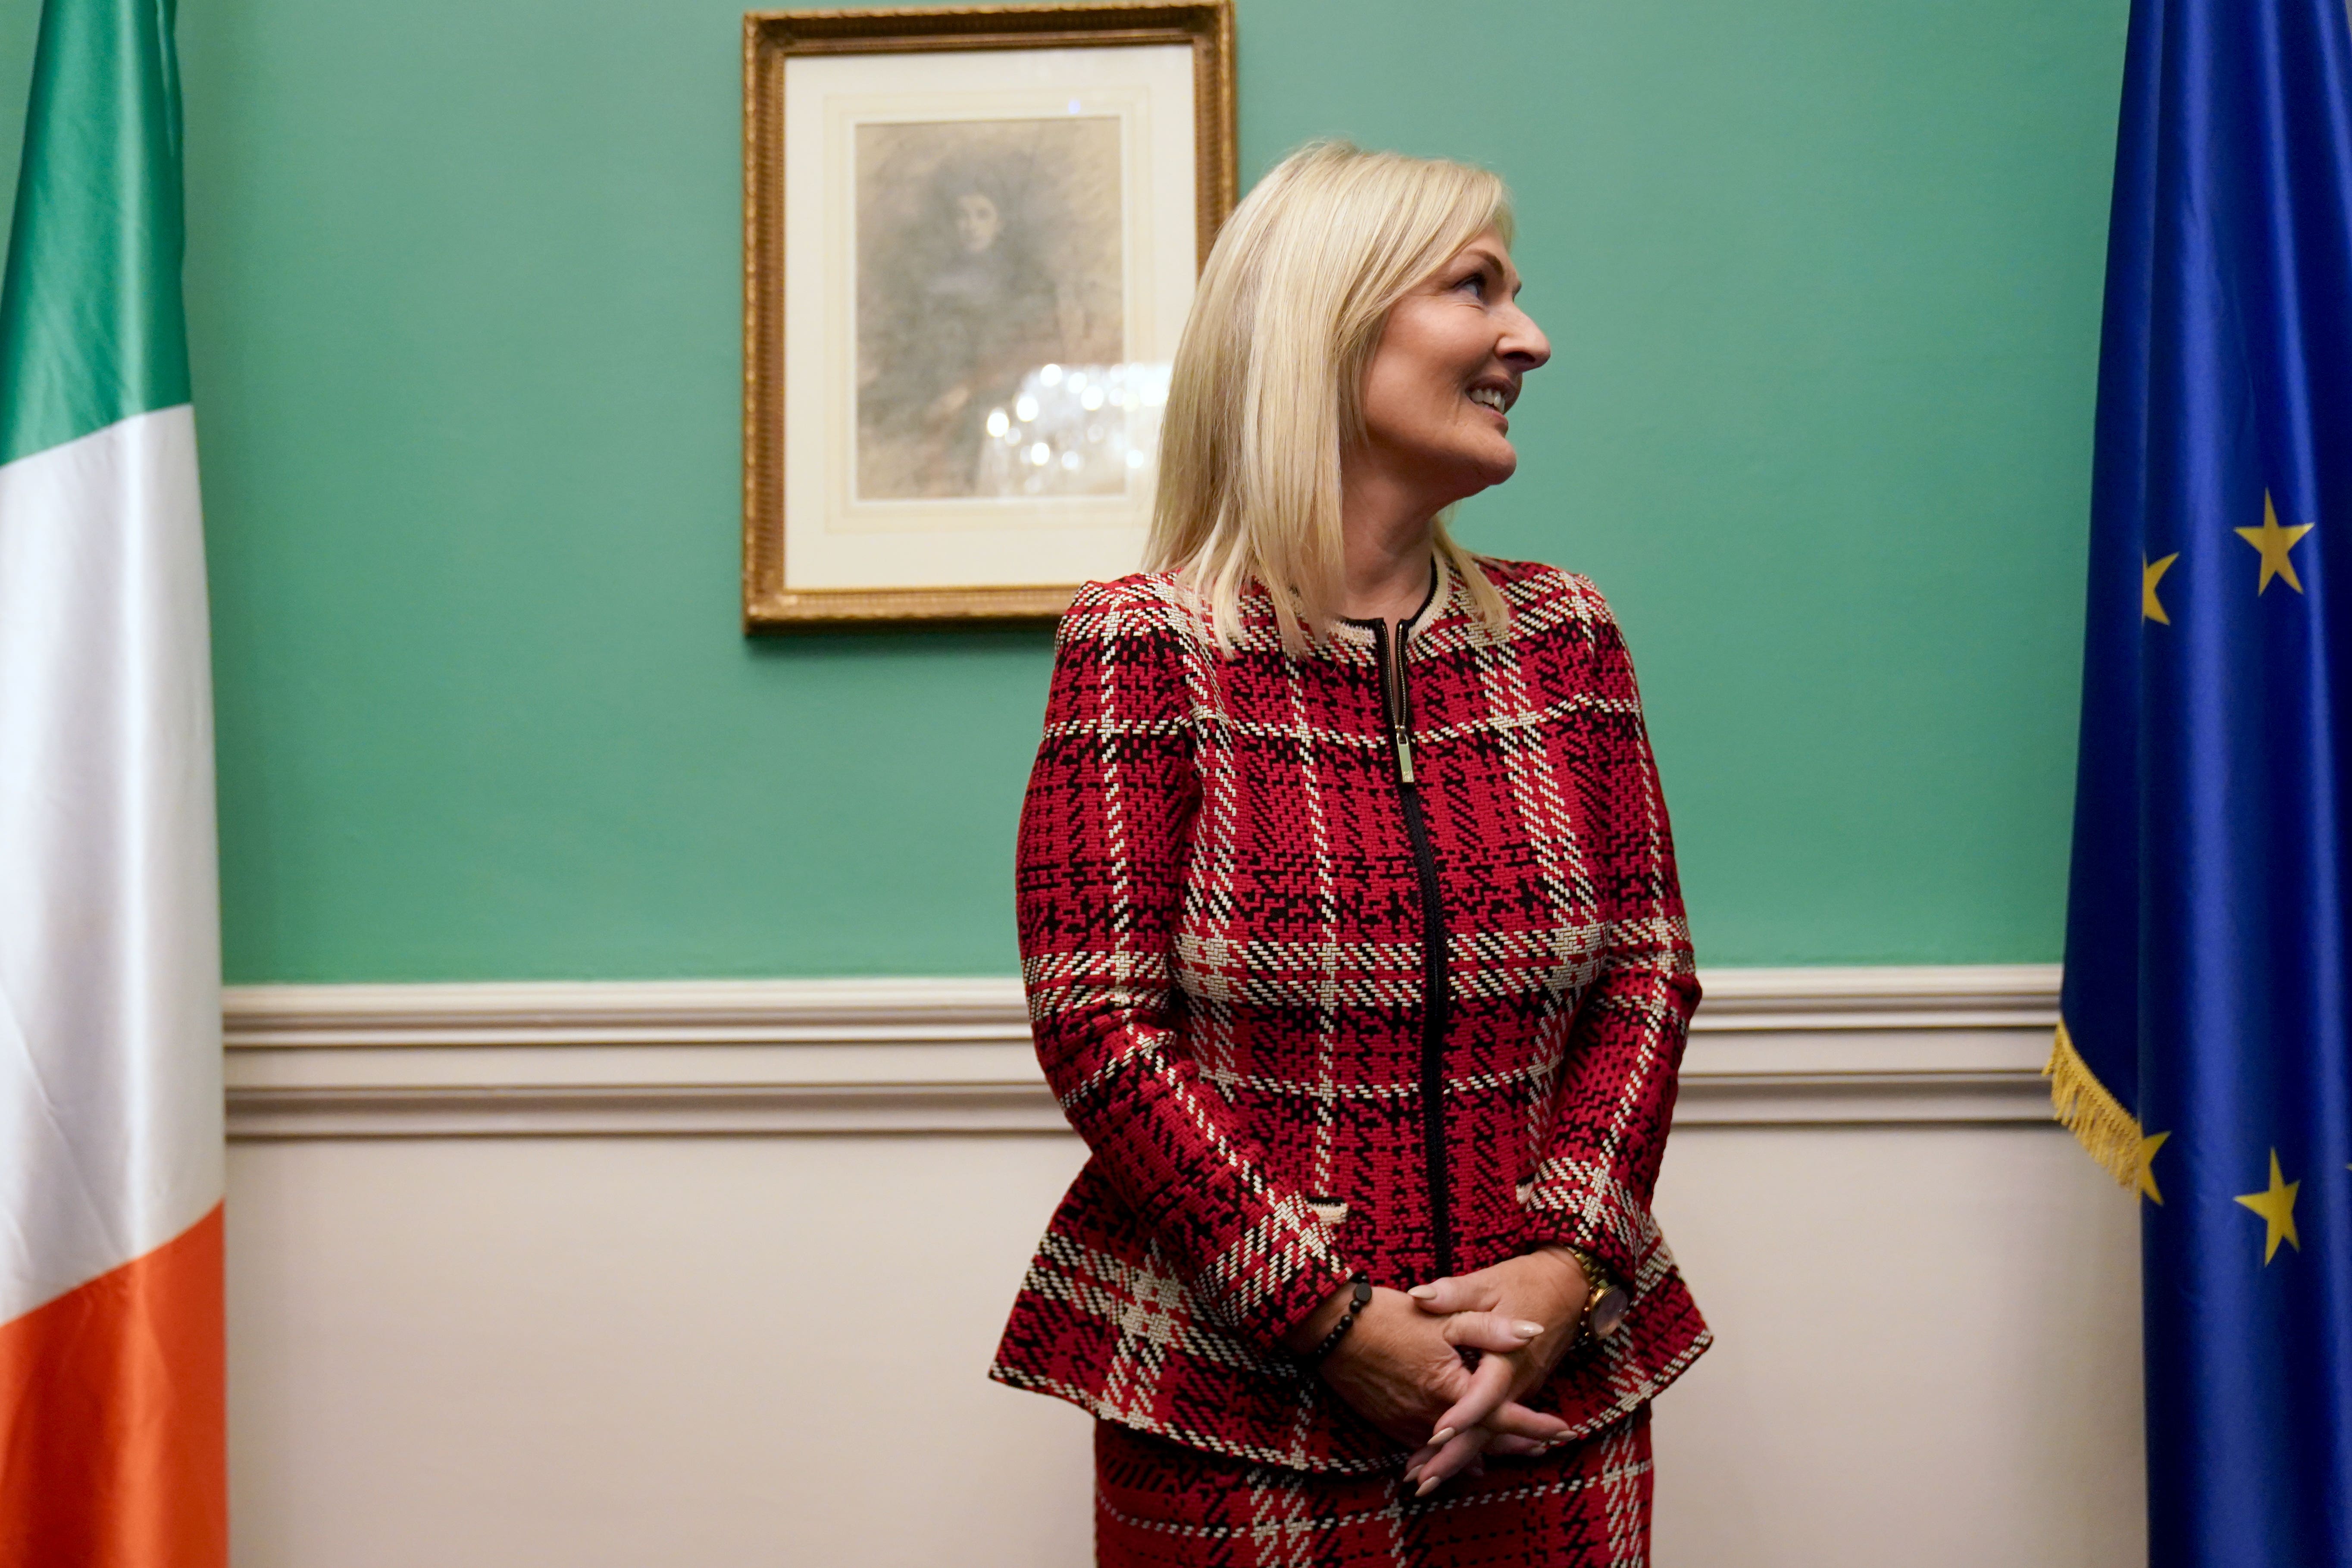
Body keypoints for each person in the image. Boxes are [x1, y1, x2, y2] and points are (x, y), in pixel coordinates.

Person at [990, 140, 1710, 1568]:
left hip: (1546, 1397)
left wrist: (1568, 1265)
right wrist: (1326, 1317)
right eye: (1476, 288)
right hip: (1234, 1411)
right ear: (1330, 320)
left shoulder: (1567, 636)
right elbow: (1098, 1026)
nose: (1530, 339)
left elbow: (1647, 978)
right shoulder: (1146, 644)